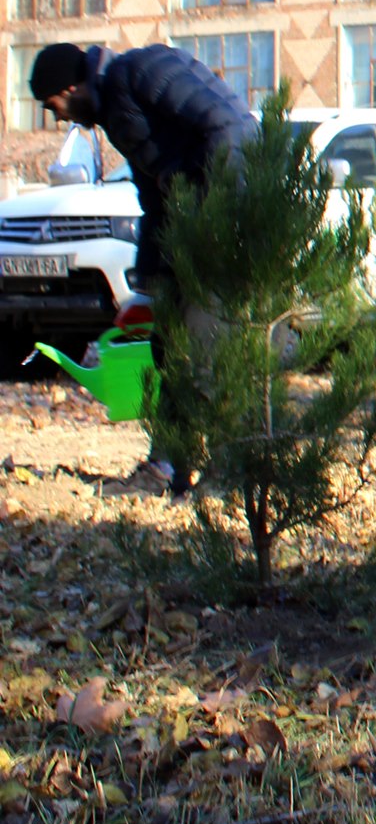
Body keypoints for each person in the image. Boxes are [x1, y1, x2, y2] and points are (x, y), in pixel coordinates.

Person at [31, 41, 258, 489]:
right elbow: (155, 195)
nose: (58, 116)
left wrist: (215, 220)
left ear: (71, 86)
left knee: (209, 350)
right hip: (191, 231)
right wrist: (151, 282)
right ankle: (166, 468)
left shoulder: (140, 72)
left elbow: (230, 128)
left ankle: (230, 472)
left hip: (225, 224)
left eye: (53, 103)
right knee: (168, 349)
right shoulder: (117, 111)